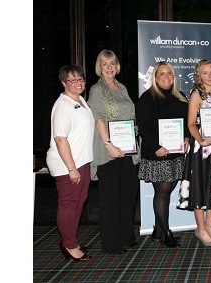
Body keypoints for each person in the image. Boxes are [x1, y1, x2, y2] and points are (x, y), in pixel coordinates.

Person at [88, 49, 140, 254]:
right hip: (107, 149)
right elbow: (98, 118)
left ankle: (125, 235)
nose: (109, 67)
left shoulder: (122, 87)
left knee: (128, 194)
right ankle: (111, 243)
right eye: (104, 64)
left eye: (112, 63)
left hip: (127, 150)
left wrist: (133, 128)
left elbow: (129, 114)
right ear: (99, 68)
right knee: (110, 198)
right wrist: (109, 144)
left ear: (117, 66)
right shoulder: (95, 89)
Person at [136, 62, 189, 248]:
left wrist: (187, 138)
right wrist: (156, 146)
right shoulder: (148, 97)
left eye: (169, 74)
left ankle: (158, 230)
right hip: (157, 153)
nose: (166, 77)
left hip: (175, 152)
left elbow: (187, 121)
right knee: (163, 192)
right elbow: (143, 126)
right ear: (155, 77)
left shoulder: (180, 96)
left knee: (169, 189)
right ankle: (165, 232)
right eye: (162, 74)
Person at [46, 65, 94, 261]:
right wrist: (71, 168)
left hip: (81, 161)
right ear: (64, 82)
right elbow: (60, 139)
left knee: (78, 203)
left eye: (81, 79)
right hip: (67, 164)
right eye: (73, 80)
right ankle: (70, 245)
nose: (78, 83)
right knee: (68, 204)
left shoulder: (81, 100)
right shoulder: (63, 105)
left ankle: (69, 239)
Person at [177, 59, 211, 246]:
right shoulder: (196, 94)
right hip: (201, 149)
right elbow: (190, 123)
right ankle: (200, 229)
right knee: (199, 187)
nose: (210, 75)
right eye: (205, 73)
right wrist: (201, 140)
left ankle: (209, 227)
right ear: (199, 75)